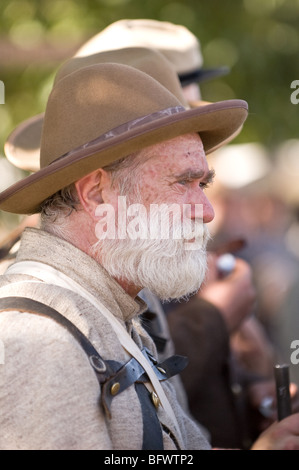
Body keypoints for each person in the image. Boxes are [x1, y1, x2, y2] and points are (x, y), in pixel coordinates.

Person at [2, 19, 296, 448]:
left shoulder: (113, 306)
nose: (206, 210)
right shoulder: (39, 340)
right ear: (97, 194)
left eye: (204, 184)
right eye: (183, 183)